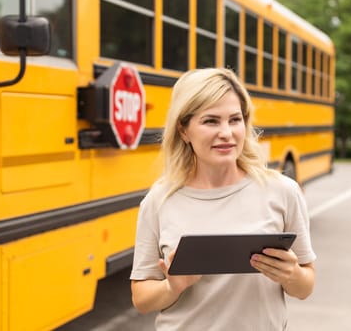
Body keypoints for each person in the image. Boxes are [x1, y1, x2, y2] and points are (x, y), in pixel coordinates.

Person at [130, 67, 316, 330]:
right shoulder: (159, 200)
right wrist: (172, 287)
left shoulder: (283, 191)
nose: (227, 133)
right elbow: (141, 298)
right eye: (211, 121)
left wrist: (292, 274)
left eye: (235, 120)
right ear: (184, 130)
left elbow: (305, 286)